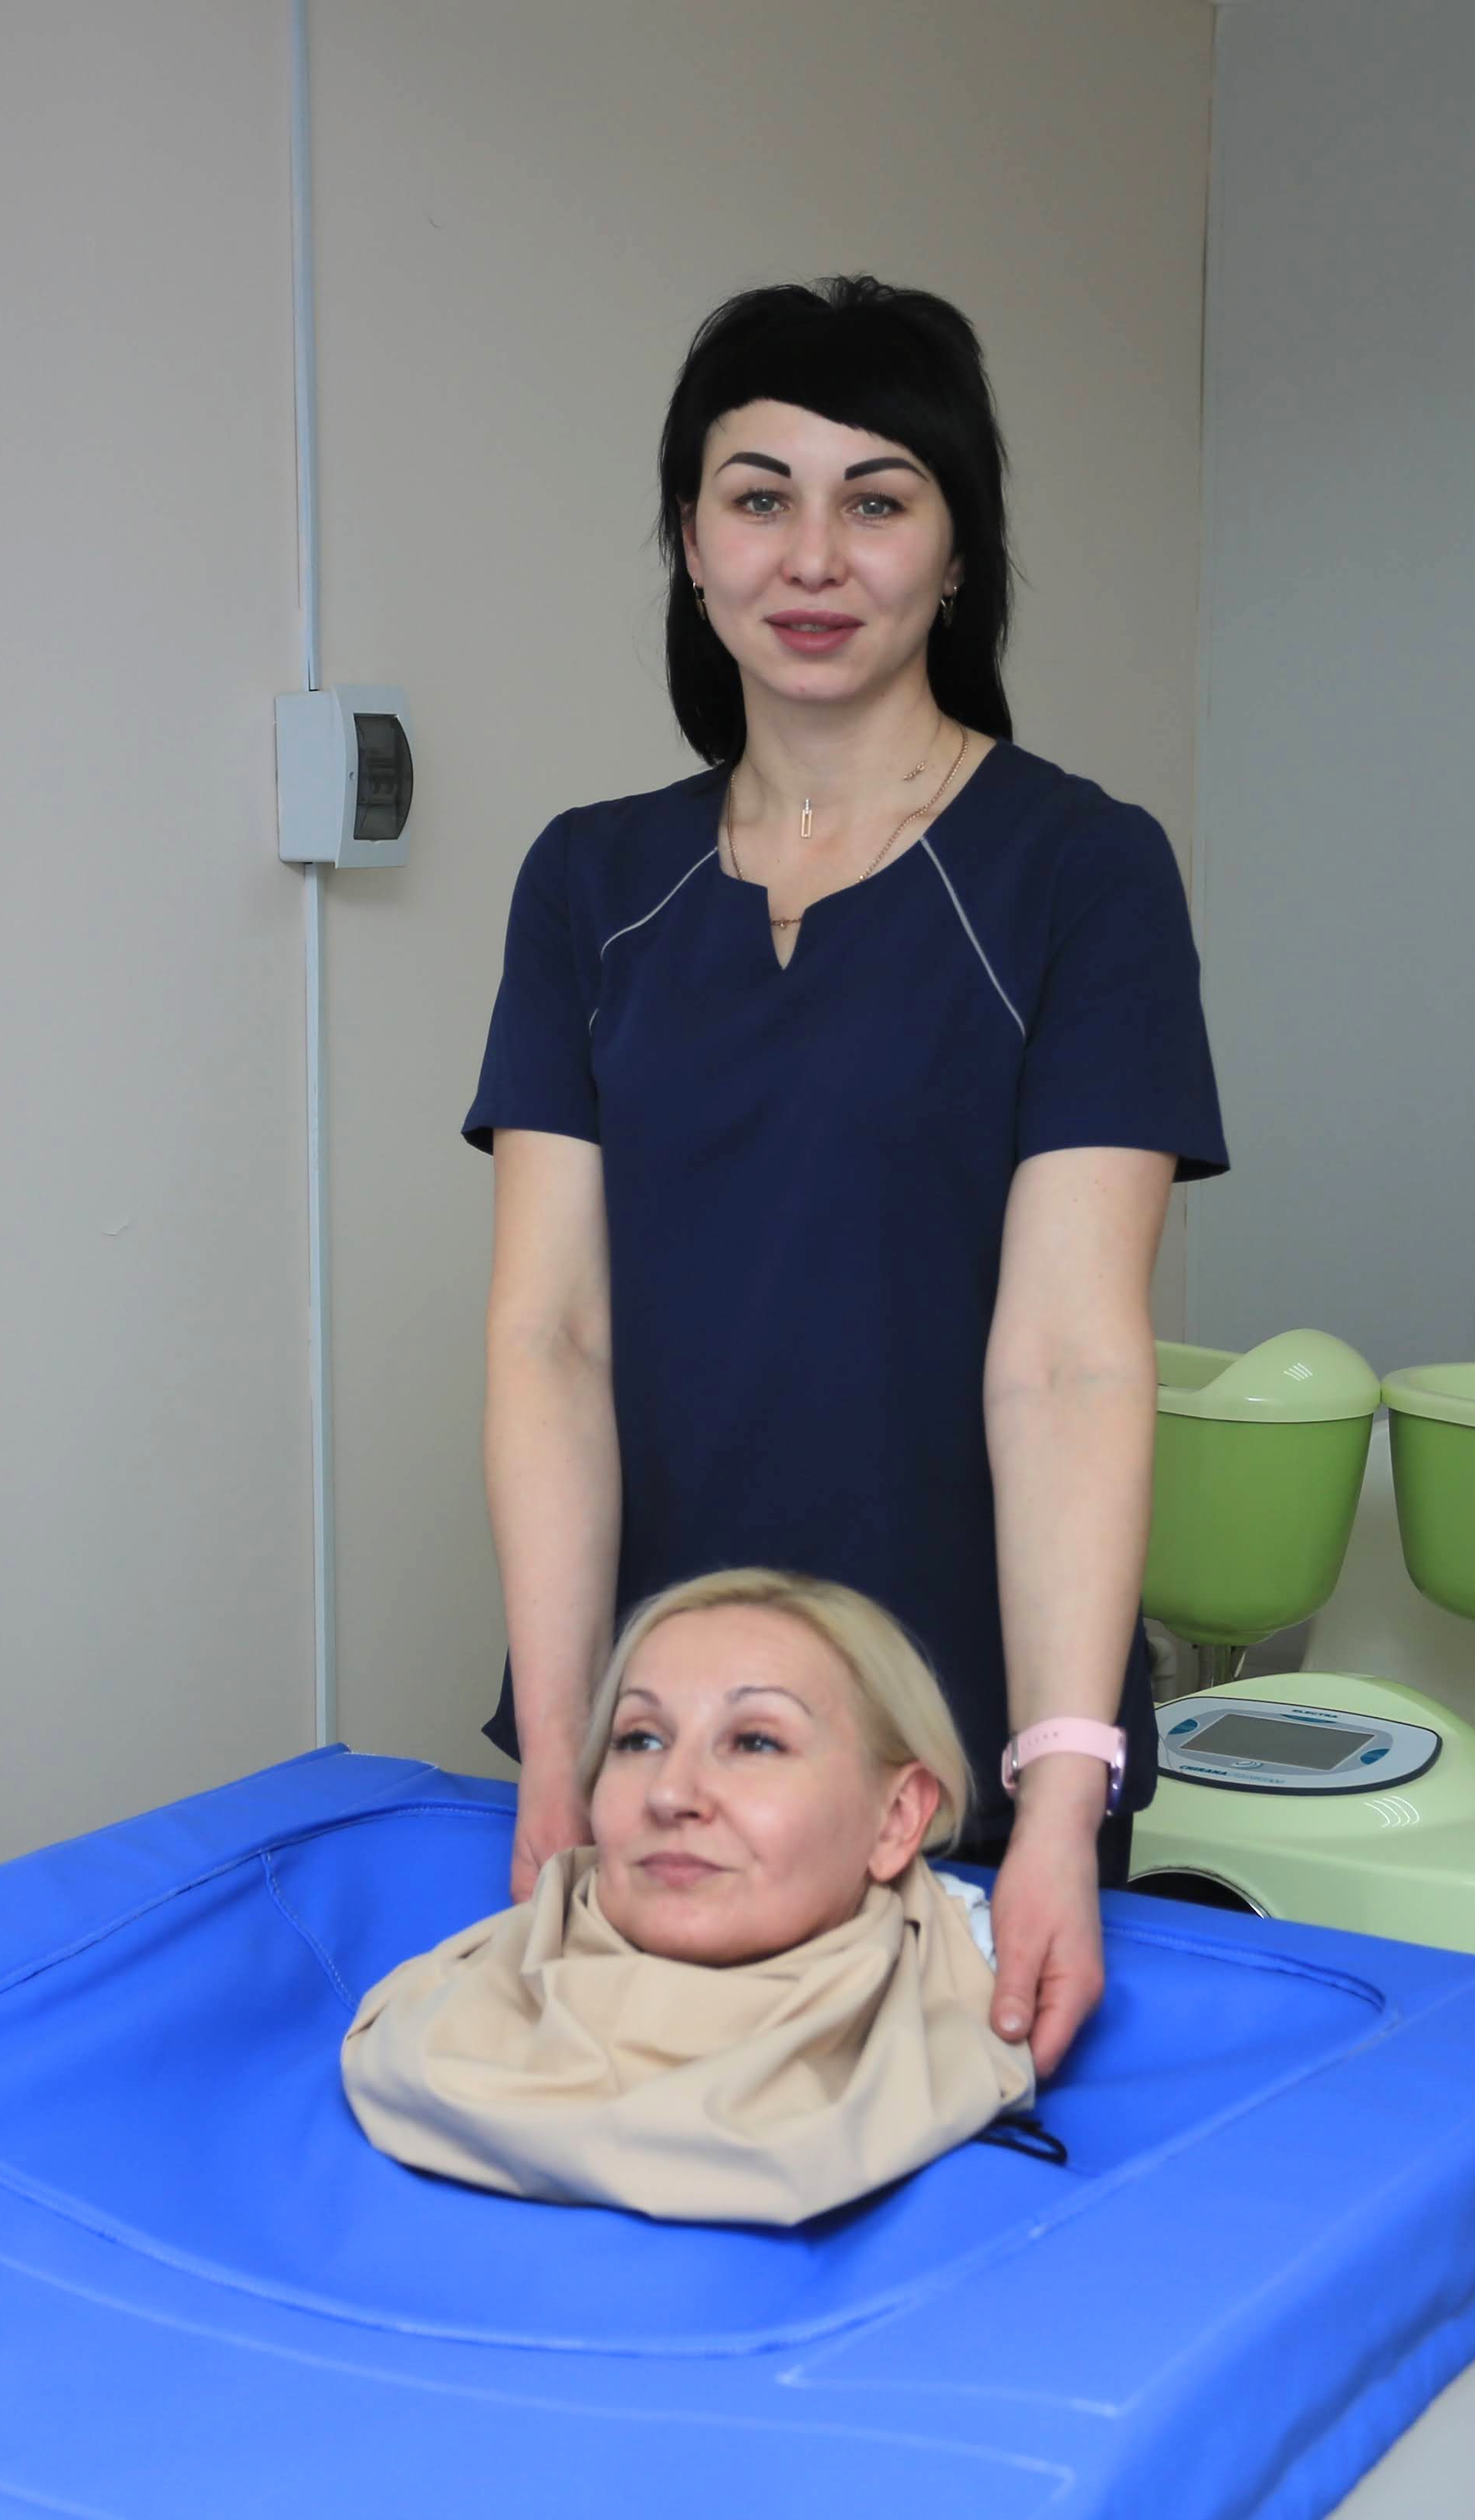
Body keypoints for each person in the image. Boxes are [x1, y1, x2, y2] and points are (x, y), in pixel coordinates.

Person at [467, 276, 1226, 2081]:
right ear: (689, 540)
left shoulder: (1079, 873)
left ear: (957, 553)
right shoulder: (589, 885)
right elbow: (552, 1338)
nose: (811, 557)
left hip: (955, 1750)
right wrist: (566, 1761)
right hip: (659, 1769)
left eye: (876, 499)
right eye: (758, 497)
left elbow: (1069, 1358)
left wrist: (1059, 1796)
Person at [340, 1570, 1028, 2224]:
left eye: (756, 1742)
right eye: (640, 1738)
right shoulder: (442, 2027)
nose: (669, 1793)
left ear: (897, 1817)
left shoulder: (975, 2005)